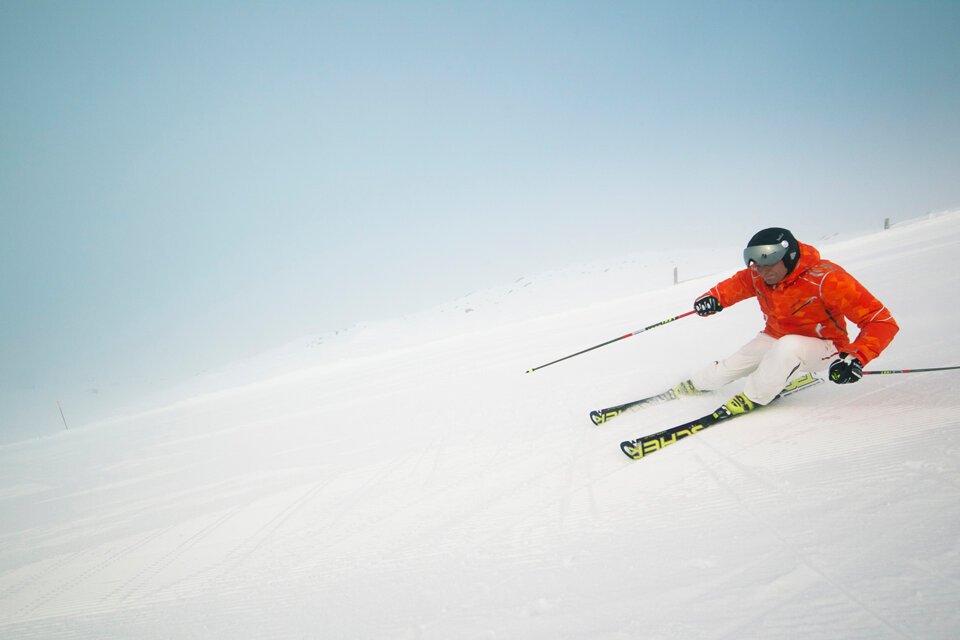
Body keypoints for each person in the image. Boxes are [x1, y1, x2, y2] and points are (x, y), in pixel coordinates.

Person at [673, 227, 899, 419]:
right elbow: (736, 285)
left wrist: (856, 357)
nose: (762, 272)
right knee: (727, 369)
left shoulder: (827, 278)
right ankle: (698, 384)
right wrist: (713, 298)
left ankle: (754, 396)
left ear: (789, 256)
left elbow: (880, 320)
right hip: (775, 336)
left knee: (787, 347)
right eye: (757, 265)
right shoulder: (760, 275)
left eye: (769, 264)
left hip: (826, 346)